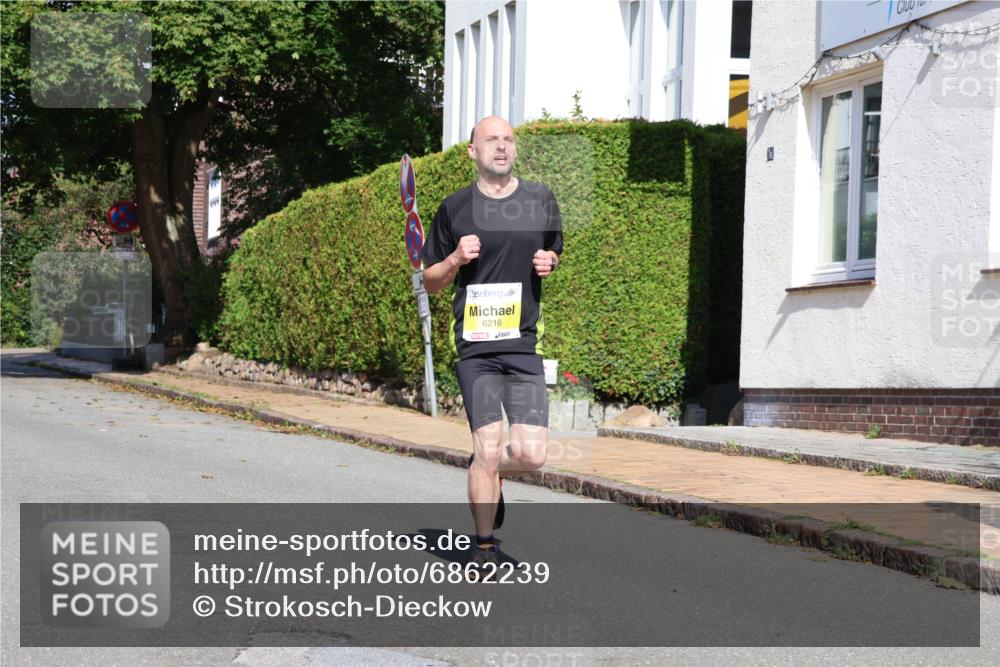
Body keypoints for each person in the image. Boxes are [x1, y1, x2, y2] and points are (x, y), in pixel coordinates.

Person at [422, 115, 562, 574]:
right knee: (487, 447)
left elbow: (553, 252)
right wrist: (455, 258)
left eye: (508, 140)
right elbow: (431, 282)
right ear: (473, 152)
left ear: (515, 150)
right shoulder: (454, 208)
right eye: (491, 140)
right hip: (476, 347)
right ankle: (484, 550)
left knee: (531, 455)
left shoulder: (541, 200)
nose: (501, 147)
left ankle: (487, 470)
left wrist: (549, 260)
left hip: (523, 344)